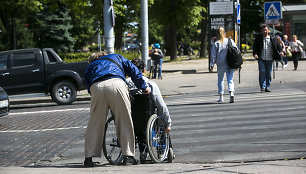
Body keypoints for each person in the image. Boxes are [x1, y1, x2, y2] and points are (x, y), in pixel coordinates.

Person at [83, 52, 151, 167]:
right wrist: (143, 86)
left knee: (95, 123)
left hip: (97, 87)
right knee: (124, 119)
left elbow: (88, 85)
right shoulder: (115, 57)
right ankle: (128, 156)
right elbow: (133, 70)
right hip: (116, 84)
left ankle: (88, 158)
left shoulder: (90, 66)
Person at [126, 58, 172, 163]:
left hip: (130, 119)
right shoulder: (149, 83)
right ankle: (161, 150)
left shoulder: (125, 83)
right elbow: (161, 106)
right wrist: (168, 123)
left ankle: (138, 152)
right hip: (147, 119)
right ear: (143, 70)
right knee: (159, 118)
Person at [210, 27, 237, 103]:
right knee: (230, 79)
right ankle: (231, 93)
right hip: (230, 63)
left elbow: (213, 56)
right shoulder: (230, 41)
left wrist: (212, 65)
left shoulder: (216, 43)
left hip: (220, 64)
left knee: (220, 80)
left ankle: (221, 97)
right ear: (224, 33)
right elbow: (236, 50)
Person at [253, 24, 283, 92]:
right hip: (261, 58)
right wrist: (255, 54)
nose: (265, 32)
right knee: (262, 71)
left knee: (268, 73)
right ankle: (262, 86)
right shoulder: (259, 38)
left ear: (268, 30)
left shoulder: (272, 38)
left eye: (266, 30)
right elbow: (255, 47)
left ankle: (267, 86)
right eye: (263, 30)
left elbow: (278, 45)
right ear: (261, 31)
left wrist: (281, 51)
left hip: (270, 58)